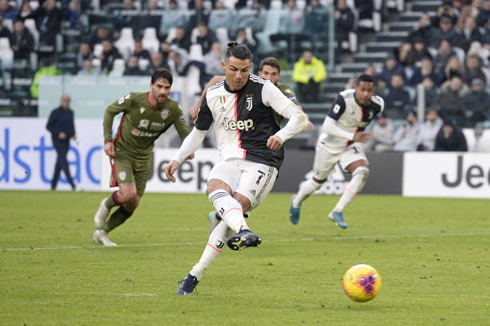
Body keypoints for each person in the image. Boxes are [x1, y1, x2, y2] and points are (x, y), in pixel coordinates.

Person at [164, 42, 308, 295]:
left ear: (250, 67)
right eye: (233, 69)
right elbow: (198, 133)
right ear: (223, 67)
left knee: (235, 208)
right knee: (214, 188)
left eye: (244, 70)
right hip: (230, 159)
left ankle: (194, 274)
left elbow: (298, 117)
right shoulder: (212, 94)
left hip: (263, 161)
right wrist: (177, 159)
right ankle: (245, 231)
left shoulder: (264, 88)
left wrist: (282, 135)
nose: (239, 76)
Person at [190, 56, 314, 232]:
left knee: (247, 196)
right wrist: (198, 105)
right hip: (242, 145)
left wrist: (302, 119)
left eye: (273, 74)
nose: (269, 77)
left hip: (268, 146)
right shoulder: (247, 84)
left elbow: (296, 110)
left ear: (279, 76)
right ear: (259, 72)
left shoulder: (282, 90)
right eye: (266, 73)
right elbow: (214, 81)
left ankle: (222, 218)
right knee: (238, 196)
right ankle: (232, 226)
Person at [92, 69, 191, 247]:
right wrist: (108, 140)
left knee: (133, 202)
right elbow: (109, 111)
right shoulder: (134, 99)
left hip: (144, 157)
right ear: (151, 86)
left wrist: (188, 148)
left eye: (167, 88)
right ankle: (106, 204)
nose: (163, 91)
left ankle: (102, 232)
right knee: (127, 194)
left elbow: (185, 132)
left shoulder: (173, 108)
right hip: (122, 151)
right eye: (159, 86)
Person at [289, 74, 383, 228]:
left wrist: (353, 137)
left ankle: (337, 211)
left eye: (369, 90)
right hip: (329, 145)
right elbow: (327, 127)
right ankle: (297, 200)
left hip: (350, 145)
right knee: (317, 182)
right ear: (356, 88)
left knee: (362, 171)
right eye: (362, 89)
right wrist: (352, 135)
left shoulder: (378, 105)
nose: (366, 94)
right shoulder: (344, 99)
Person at [46, 94, 77, 191]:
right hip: (57, 141)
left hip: (66, 141)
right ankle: (73, 185)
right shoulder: (55, 112)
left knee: (59, 164)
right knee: (64, 161)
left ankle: (53, 186)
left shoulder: (71, 113)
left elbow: (71, 126)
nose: (67, 102)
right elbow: (49, 126)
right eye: (65, 100)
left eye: (68, 100)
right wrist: (58, 133)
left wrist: (73, 134)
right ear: (61, 101)